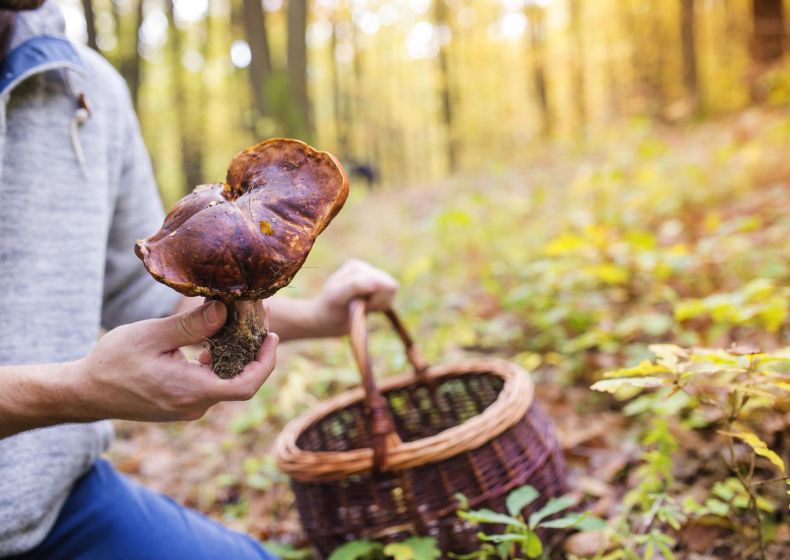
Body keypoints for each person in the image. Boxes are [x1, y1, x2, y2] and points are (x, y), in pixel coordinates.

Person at [0, 1, 398, 558]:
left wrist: (321, 317)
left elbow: (147, 297)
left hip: (59, 503)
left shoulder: (92, 92)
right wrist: (76, 391)